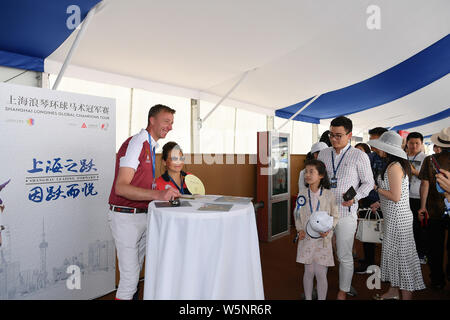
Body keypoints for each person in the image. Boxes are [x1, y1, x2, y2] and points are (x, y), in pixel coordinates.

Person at [108, 104, 181, 300]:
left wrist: (162, 191)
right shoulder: (137, 142)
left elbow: (139, 184)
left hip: (142, 216)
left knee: (136, 273)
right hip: (125, 217)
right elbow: (121, 187)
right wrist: (158, 195)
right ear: (152, 120)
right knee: (130, 279)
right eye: (166, 121)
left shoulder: (150, 145)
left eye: (172, 123)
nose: (170, 127)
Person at [317, 116, 374, 300]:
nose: (334, 139)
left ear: (349, 135)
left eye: (338, 135)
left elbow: (368, 183)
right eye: (331, 135)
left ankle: (343, 290)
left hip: (346, 213)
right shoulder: (324, 154)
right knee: (322, 253)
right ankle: (320, 287)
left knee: (344, 254)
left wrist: (355, 197)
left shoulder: (359, 155)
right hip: (324, 212)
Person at [368, 131, 425, 300]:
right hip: (395, 217)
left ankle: (405, 295)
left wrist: (376, 189)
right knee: (393, 255)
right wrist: (379, 202)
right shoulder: (394, 165)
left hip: (398, 220)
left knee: (402, 258)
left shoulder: (394, 167)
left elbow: (395, 196)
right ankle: (393, 291)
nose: (378, 150)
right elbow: (397, 195)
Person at [294, 159, 339, 300]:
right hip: (306, 238)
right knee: (309, 271)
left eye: (311, 171)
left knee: (320, 273)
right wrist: (299, 229)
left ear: (321, 175)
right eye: (306, 171)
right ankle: (308, 297)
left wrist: (329, 230)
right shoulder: (302, 193)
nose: (307, 175)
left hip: (322, 239)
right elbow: (296, 214)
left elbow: (335, 216)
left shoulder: (329, 195)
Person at [418, 127, 450, 290]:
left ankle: (437, 279)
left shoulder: (430, 160)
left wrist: (422, 207)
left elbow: (425, 184)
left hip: (434, 209)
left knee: (435, 246)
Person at [354, 128, 388, 274]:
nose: (370, 142)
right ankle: (369, 262)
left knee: (385, 236)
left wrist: (380, 202)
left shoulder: (392, 160)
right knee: (368, 233)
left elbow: (397, 190)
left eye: (373, 139)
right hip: (369, 200)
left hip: (386, 203)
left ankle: (386, 268)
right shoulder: (372, 156)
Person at [405, 132, 427, 264]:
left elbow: (427, 179)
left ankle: (421, 254)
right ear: (406, 143)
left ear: (421, 144)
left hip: (418, 197)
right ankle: (408, 252)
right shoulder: (402, 157)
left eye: (417, 143)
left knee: (419, 227)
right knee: (407, 226)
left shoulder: (426, 159)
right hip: (403, 197)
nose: (414, 146)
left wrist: (414, 172)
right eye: (411, 143)